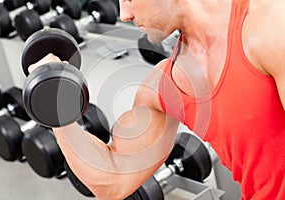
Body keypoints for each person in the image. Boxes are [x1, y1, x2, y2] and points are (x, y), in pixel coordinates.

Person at [28, 0, 285, 199]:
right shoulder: (164, 86)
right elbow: (113, 181)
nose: (123, 15)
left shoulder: (268, 27)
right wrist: (56, 106)